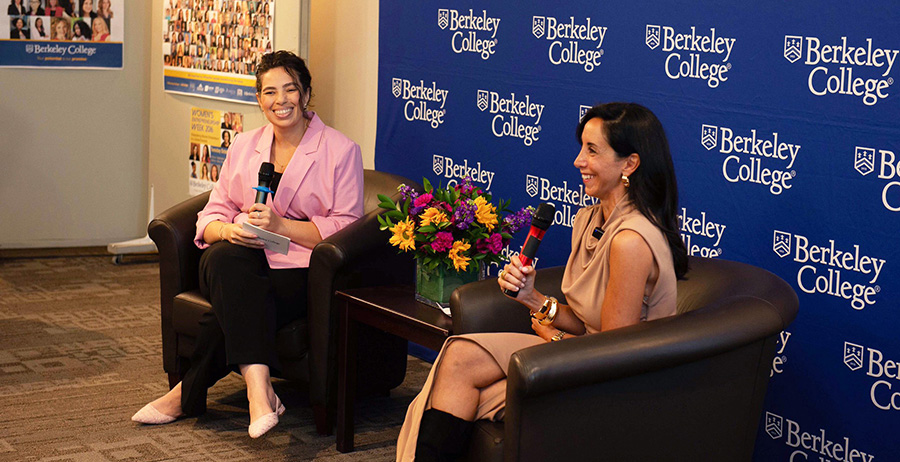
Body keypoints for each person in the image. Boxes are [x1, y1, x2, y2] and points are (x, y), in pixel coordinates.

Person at [395, 102, 689, 461]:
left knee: (465, 383)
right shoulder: (589, 219)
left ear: (630, 164)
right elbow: (586, 320)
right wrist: (533, 298)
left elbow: (613, 353)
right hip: (578, 356)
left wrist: (555, 338)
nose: (578, 161)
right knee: (458, 356)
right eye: (581, 147)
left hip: (614, 382)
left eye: (592, 150)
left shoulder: (631, 241)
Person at [131, 50, 364, 439]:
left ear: (307, 93)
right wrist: (228, 231)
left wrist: (282, 226)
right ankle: (261, 391)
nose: (281, 100)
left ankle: (187, 393)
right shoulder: (244, 144)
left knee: (235, 288)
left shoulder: (340, 150)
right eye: (270, 92)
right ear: (259, 99)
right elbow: (211, 214)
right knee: (226, 259)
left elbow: (346, 226)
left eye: (290, 89)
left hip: (300, 269)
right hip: (239, 257)